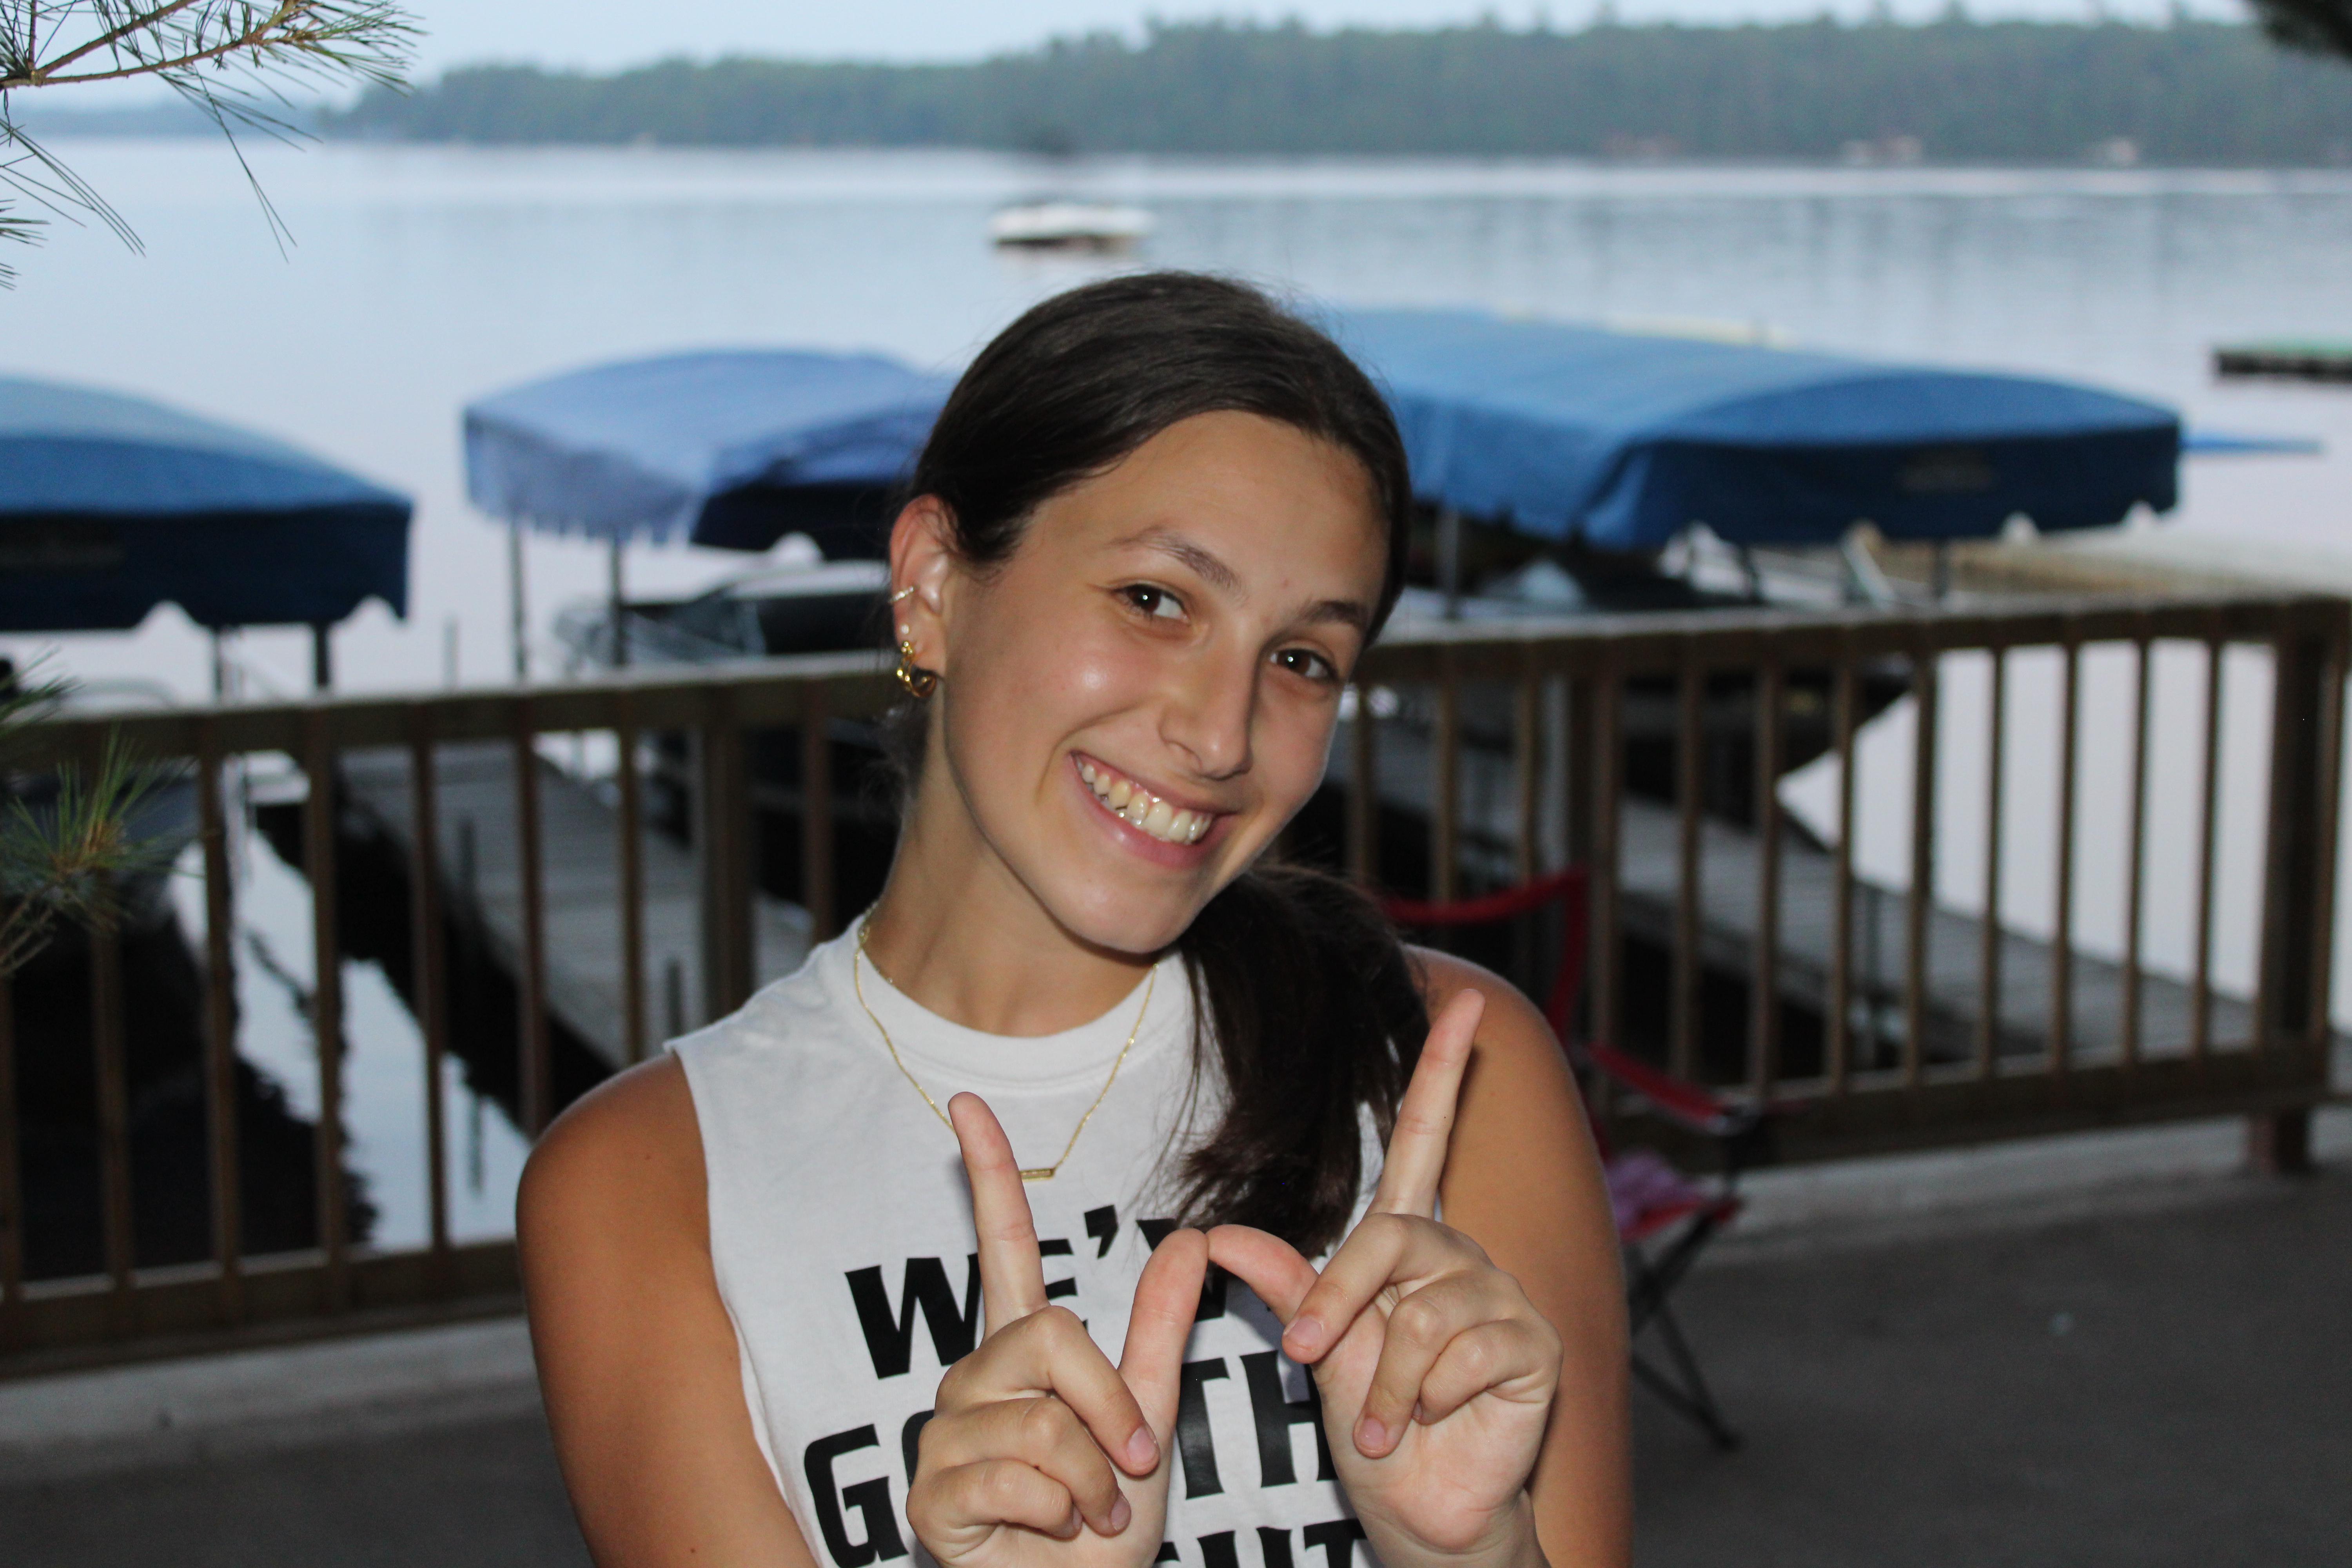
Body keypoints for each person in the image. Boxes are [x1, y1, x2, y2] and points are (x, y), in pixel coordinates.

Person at [519, 272, 1630, 1568]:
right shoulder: (648, 1188)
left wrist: (1469, 1556)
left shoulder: (1448, 1064)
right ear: (934, 584)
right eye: (1157, 599)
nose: (1221, 736)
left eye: (1301, 659)